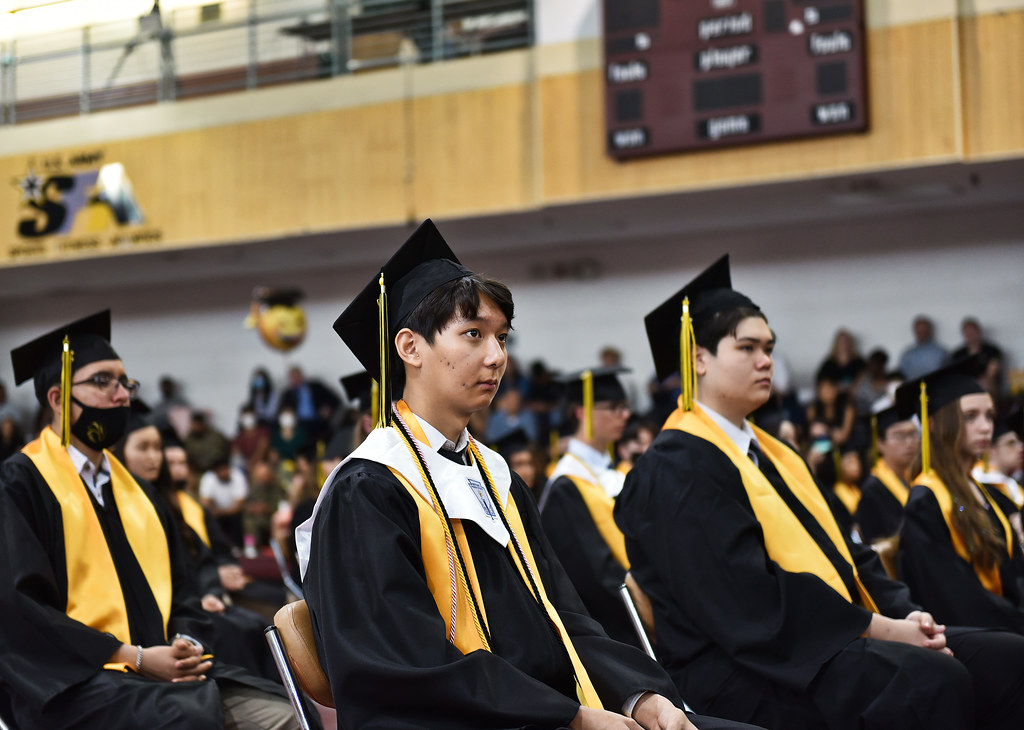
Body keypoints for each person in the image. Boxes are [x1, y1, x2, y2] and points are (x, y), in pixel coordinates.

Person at [296, 220, 757, 730]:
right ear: (409, 348)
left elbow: (565, 618)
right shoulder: (370, 489)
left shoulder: (496, 477)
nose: (496, 357)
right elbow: (401, 668)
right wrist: (571, 717)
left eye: (501, 338)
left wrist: (638, 698)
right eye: (473, 334)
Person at [615, 255, 1024, 730]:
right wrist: (885, 630)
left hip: (823, 638)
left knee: (1008, 659)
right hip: (741, 668)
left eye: (769, 347)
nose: (766, 360)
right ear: (698, 358)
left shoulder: (774, 454)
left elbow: (847, 553)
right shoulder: (675, 468)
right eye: (747, 347)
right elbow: (748, 603)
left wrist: (909, 614)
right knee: (931, 680)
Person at [0, 310, 296, 729]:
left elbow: (183, 585)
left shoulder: (138, 492)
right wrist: (131, 656)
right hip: (76, 682)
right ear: (58, 398)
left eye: (125, 382)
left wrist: (186, 642)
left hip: (164, 671)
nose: (122, 395)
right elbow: (20, 609)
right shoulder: (21, 483)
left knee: (287, 714)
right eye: (103, 381)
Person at [897, 361, 1024, 633]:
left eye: (989, 415)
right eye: (970, 416)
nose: (985, 426)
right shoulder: (927, 501)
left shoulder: (981, 490)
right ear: (933, 424)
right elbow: (956, 598)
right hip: (969, 634)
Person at [539, 367, 637, 646]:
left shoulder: (615, 474)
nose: (625, 415)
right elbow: (593, 575)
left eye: (626, 407)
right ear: (582, 412)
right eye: (615, 408)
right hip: (610, 628)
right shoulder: (565, 484)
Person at [854, 404, 920, 544]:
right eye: (899, 436)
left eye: (913, 434)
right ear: (880, 443)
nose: (909, 443)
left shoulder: (916, 479)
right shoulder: (872, 491)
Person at [815, 329, 866, 393]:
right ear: (836, 344)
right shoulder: (829, 364)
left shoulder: (859, 363)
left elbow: (867, 379)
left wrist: (854, 386)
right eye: (841, 342)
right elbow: (821, 382)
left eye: (846, 341)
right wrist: (836, 387)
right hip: (834, 397)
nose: (844, 344)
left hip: (854, 396)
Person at [898, 315, 948, 380]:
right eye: (919, 330)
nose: (922, 333)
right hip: (913, 388)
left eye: (924, 330)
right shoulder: (907, 354)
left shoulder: (941, 352)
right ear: (915, 331)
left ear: (929, 330)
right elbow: (902, 374)